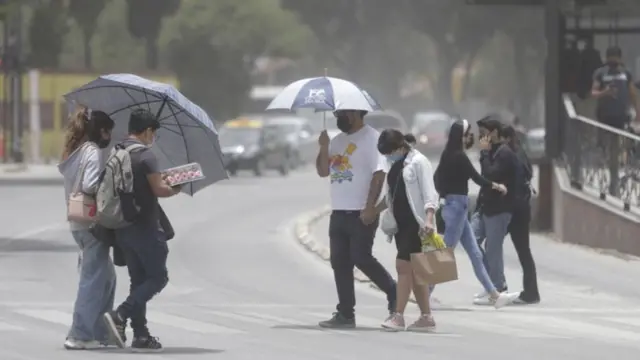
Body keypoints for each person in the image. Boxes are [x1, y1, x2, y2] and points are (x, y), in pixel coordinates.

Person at [103, 109, 180, 353]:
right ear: (147, 131)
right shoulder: (146, 156)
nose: (153, 137)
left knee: (138, 281)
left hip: (123, 227)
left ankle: (141, 335)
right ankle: (120, 314)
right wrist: (176, 186)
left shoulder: (118, 152)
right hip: (146, 227)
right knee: (158, 278)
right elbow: (159, 190)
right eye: (153, 132)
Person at [315, 109, 397, 328]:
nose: (338, 116)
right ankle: (345, 313)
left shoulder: (372, 139)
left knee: (361, 258)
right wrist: (323, 146)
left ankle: (394, 291)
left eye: (343, 113)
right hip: (339, 211)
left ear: (356, 113)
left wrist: (370, 207)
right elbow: (324, 171)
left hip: (360, 212)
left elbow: (379, 174)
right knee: (339, 262)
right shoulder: (336, 140)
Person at [432, 119, 512, 308]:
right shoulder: (459, 156)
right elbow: (476, 178)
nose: (470, 138)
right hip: (458, 208)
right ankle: (424, 292)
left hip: (457, 206)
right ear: (461, 136)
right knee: (445, 252)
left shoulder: (448, 154)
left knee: (475, 253)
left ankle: (494, 294)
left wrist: (444, 195)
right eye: (468, 134)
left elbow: (437, 178)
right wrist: (496, 185)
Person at [58, 106, 116, 350]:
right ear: (102, 131)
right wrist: (111, 178)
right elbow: (91, 185)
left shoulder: (76, 151)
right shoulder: (91, 152)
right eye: (108, 132)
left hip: (77, 223)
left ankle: (101, 331)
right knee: (93, 279)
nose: (109, 137)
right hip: (91, 223)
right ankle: (80, 334)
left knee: (106, 277)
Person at [375, 129, 438, 331]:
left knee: (403, 267)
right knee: (416, 272)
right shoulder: (395, 165)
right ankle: (426, 317)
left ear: (400, 147)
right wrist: (372, 211)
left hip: (416, 224)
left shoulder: (419, 162)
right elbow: (391, 196)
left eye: (390, 152)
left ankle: (398, 315)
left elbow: (430, 194)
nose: (388, 157)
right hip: (400, 226)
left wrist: (429, 220)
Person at [472, 117, 518, 303]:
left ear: (494, 133)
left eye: (484, 133)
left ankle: (497, 287)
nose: (481, 137)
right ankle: (490, 284)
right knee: (472, 243)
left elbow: (491, 175)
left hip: (499, 209)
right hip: (485, 207)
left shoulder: (504, 153)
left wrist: (484, 154)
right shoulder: (491, 152)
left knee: (493, 249)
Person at [591, 46, 640, 196]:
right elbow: (594, 93)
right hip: (605, 117)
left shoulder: (626, 74)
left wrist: (638, 112)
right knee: (605, 148)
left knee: (617, 149)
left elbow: (632, 94)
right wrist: (605, 92)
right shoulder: (600, 73)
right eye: (611, 58)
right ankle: (604, 174)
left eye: (615, 58)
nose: (613, 61)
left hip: (621, 117)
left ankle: (615, 181)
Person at [500, 125, 540, 305]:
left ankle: (497, 288)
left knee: (492, 247)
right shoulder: (520, 153)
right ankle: (531, 291)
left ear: (507, 138)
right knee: (524, 251)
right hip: (522, 207)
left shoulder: (511, 156)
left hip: (514, 210)